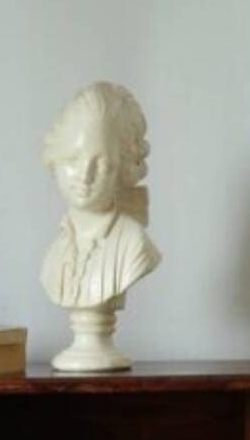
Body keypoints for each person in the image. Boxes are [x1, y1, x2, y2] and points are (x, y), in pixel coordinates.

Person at [40, 82, 162, 312]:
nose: (85, 175)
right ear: (55, 157)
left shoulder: (133, 245)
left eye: (102, 162)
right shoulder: (56, 251)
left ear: (123, 168)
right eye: (73, 159)